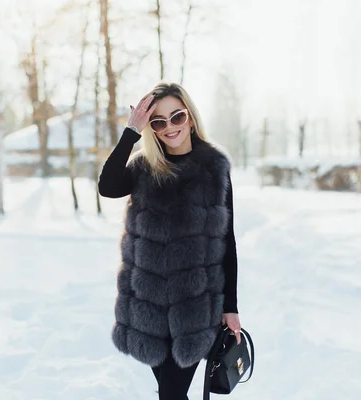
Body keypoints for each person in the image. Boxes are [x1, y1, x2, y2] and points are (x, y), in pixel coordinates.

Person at [98, 82, 242, 400]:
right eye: (158, 122)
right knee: (171, 394)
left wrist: (230, 307)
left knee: (171, 396)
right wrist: (131, 131)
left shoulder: (213, 167)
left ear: (190, 116)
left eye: (176, 117)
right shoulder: (144, 166)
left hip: (195, 308)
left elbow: (226, 240)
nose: (169, 127)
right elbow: (107, 186)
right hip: (147, 307)